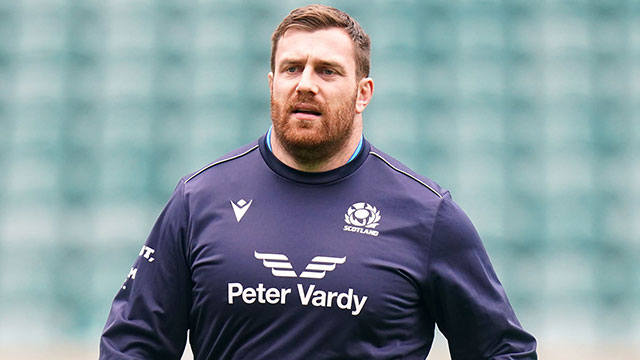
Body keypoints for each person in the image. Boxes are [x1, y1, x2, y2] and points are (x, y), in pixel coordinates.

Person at [100, 4, 537, 359]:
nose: (306, 84)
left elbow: (503, 350)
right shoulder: (199, 200)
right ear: (272, 83)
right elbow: (132, 346)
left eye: (327, 71)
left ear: (363, 92)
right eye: (292, 69)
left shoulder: (426, 213)